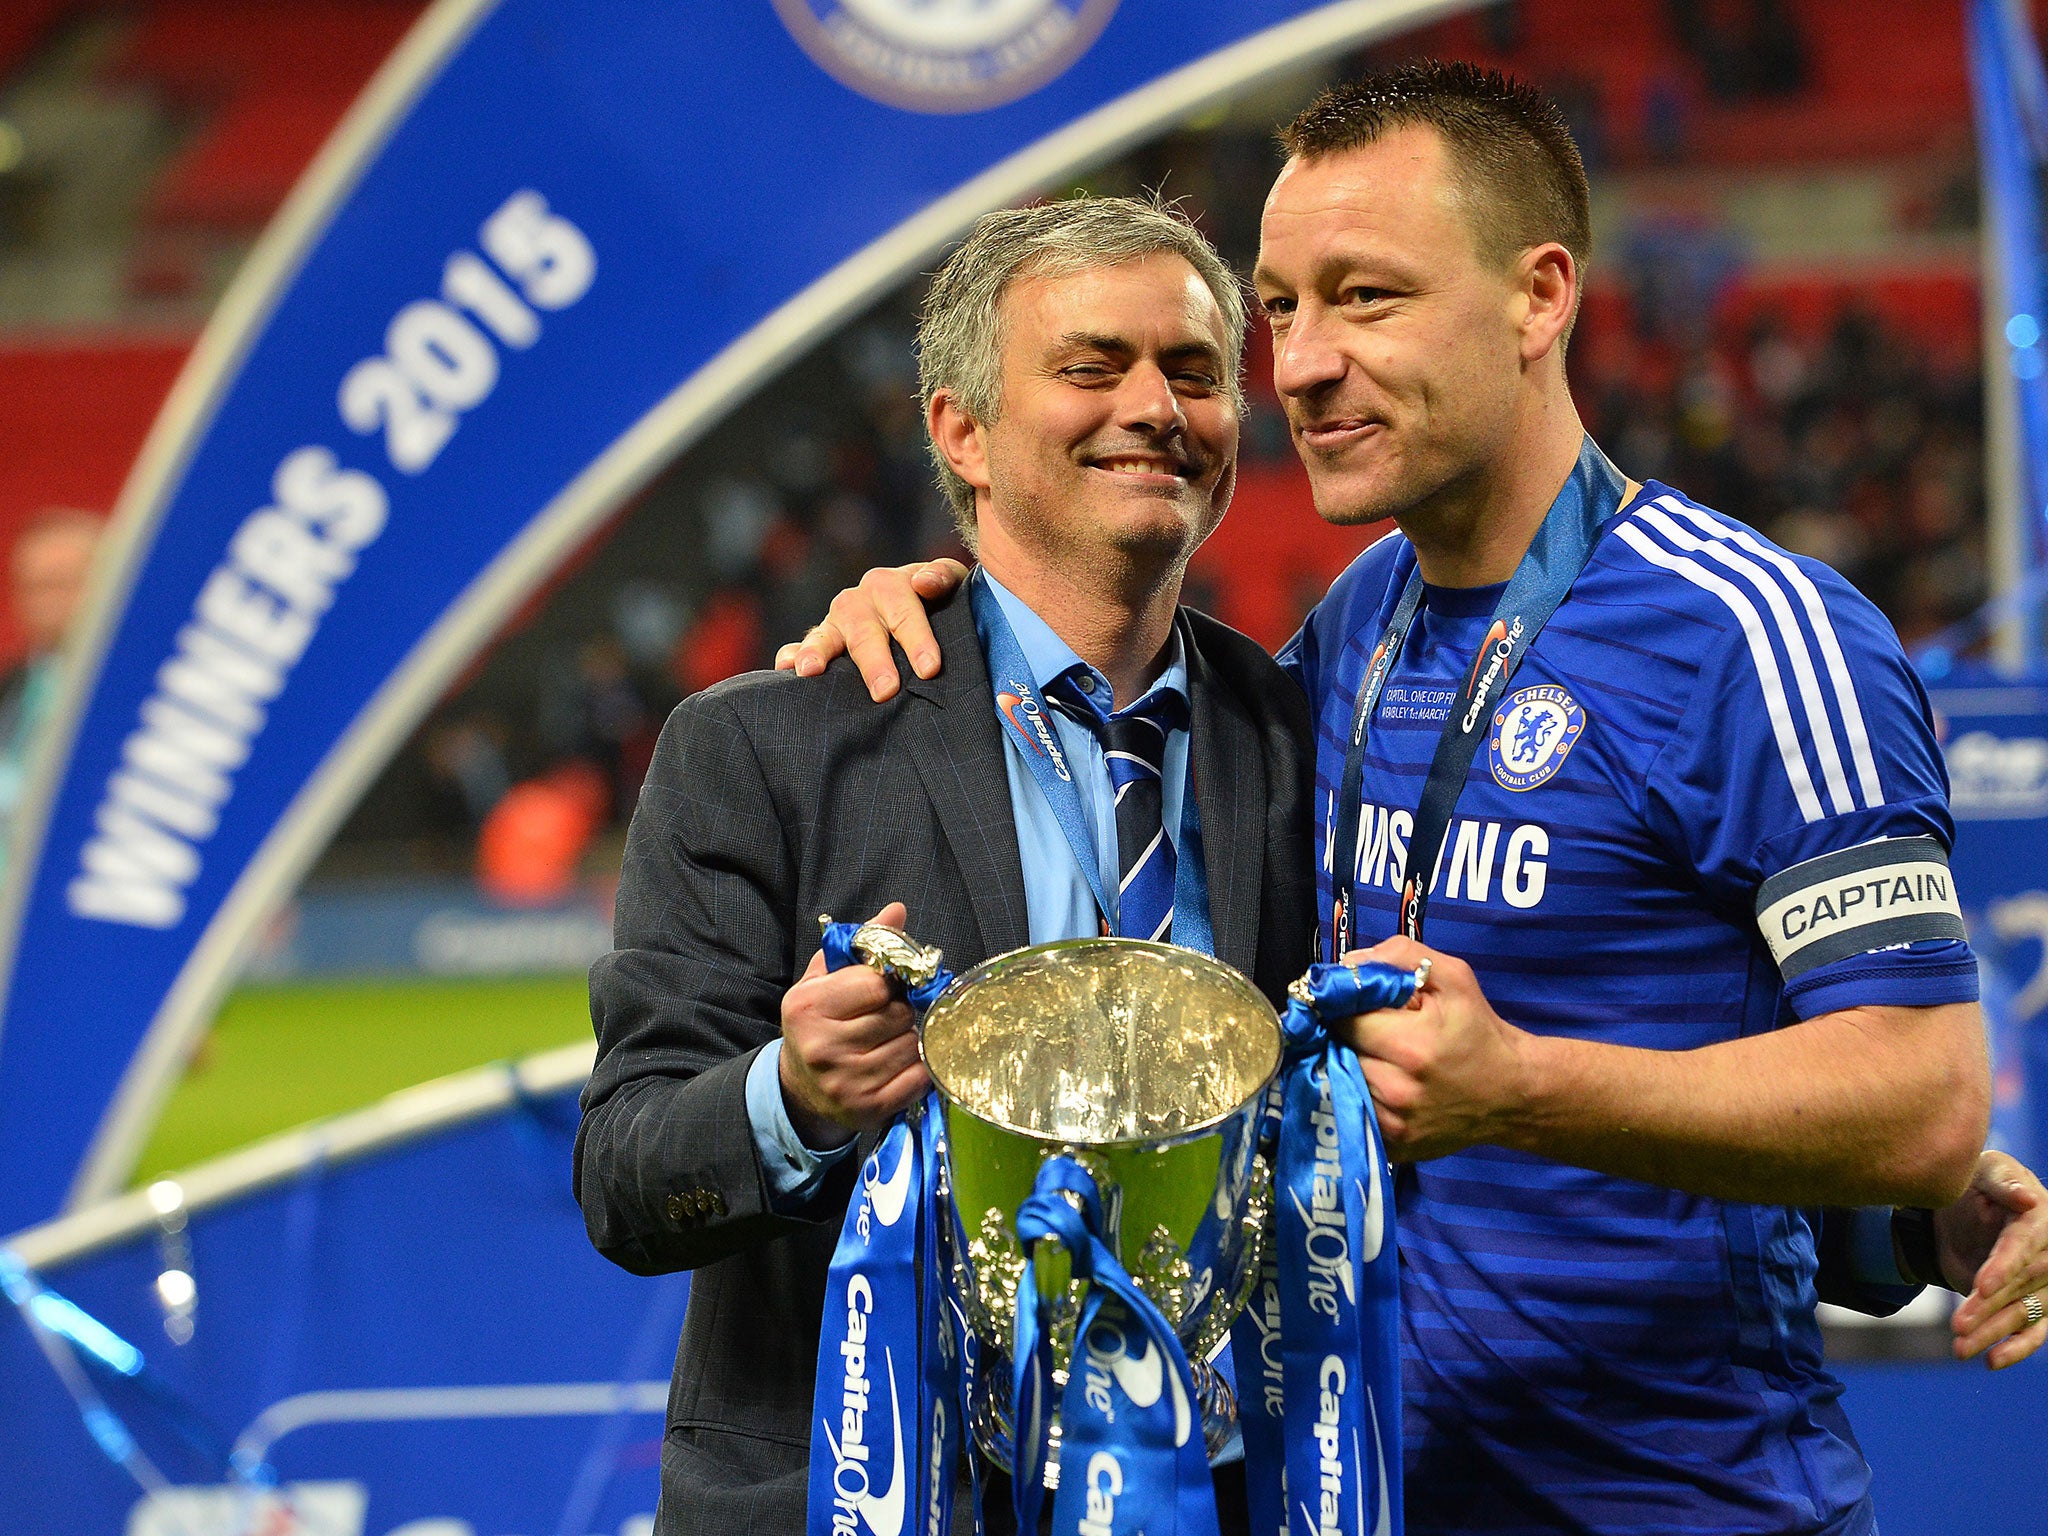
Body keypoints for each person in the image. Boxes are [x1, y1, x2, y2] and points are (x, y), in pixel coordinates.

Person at [777, 61, 2048, 1535]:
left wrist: (1529, 1089)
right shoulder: (1350, 630)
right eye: (1282, 309)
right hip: (1363, 1491)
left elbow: (1926, 1095)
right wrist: (937, 603)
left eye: (1367, 297)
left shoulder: (1756, 637)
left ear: (1540, 297)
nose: (1304, 363)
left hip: (1678, 1502)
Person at [575, 197, 1317, 1535]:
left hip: (1222, 1499)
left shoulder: (1302, 737)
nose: (1155, 405)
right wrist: (793, 1095)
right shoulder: (766, 746)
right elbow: (627, 1177)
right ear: (960, 432)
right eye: (1092, 367)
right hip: (871, 1500)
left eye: (1195, 373)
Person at [0, 508, 101, 870]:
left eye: (60, 582)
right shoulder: (11, 688)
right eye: (31, 584)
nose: (44, 600)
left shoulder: (133, 692)